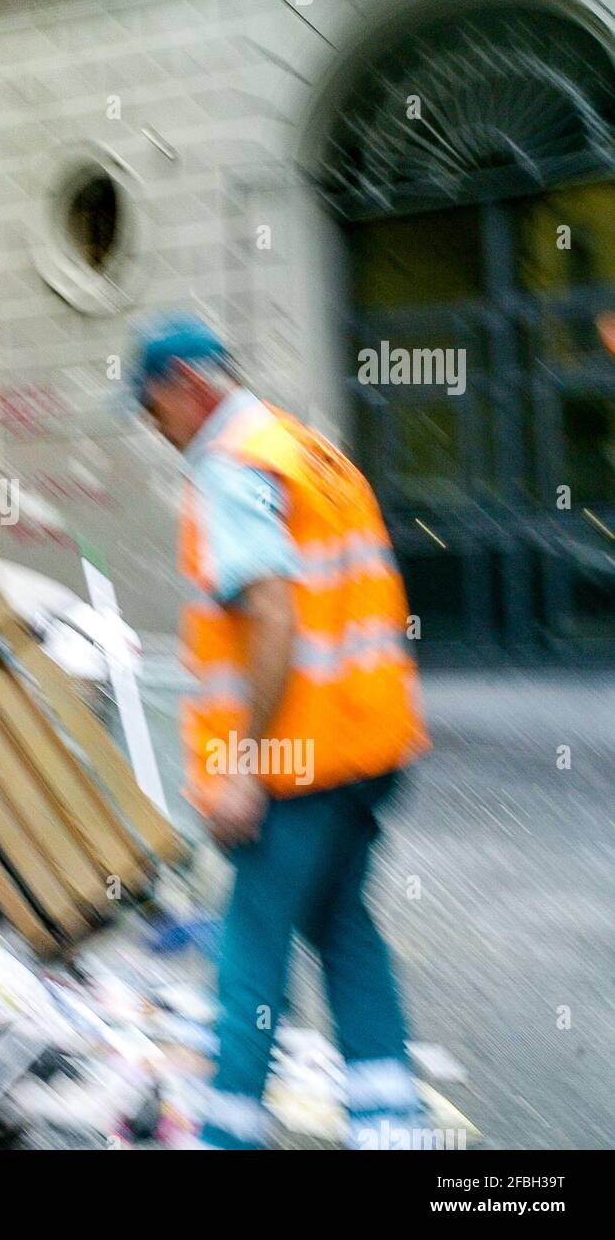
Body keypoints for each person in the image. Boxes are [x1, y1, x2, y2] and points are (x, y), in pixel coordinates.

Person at [132, 315, 431, 1150]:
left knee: (249, 953)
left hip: (298, 767)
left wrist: (241, 768)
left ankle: (226, 1134)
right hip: (370, 749)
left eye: (156, 414)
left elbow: (270, 610)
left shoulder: (232, 468)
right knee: (343, 927)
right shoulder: (309, 452)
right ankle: (392, 1128)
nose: (160, 437)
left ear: (187, 387)